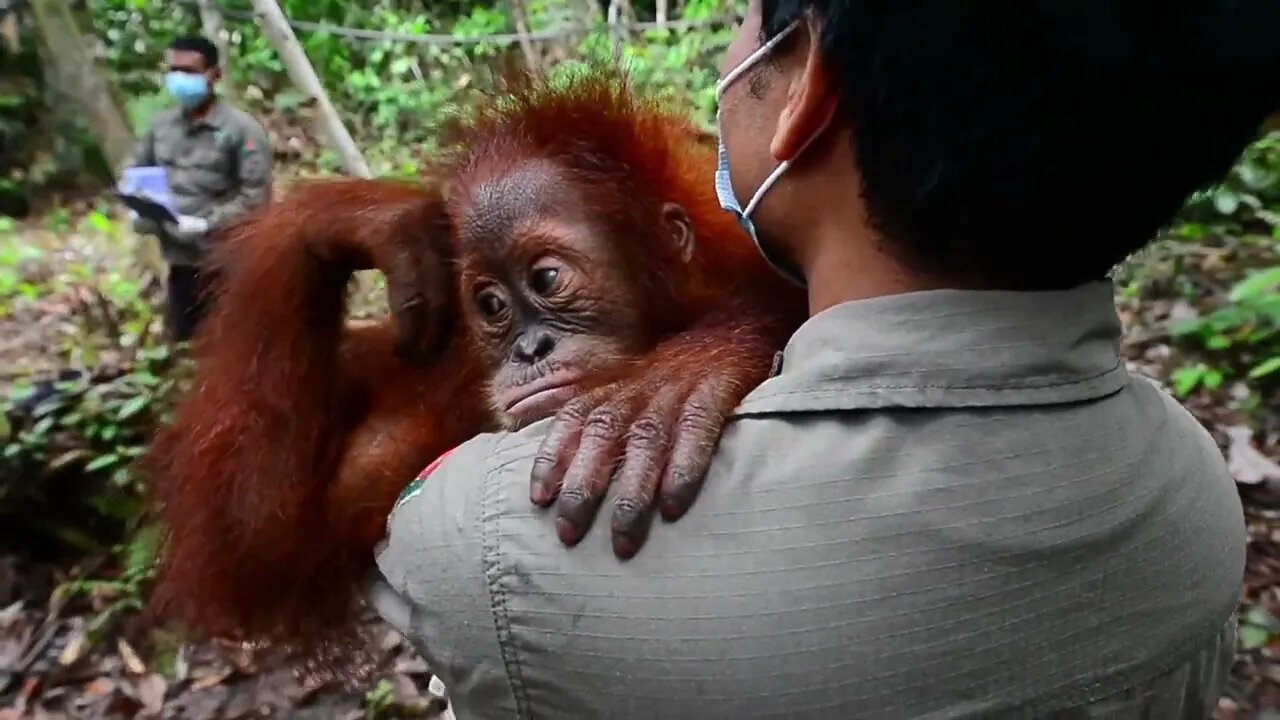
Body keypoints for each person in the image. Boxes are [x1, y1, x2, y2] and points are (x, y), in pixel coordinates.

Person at [367, 2, 1278, 717]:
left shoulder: (494, 540)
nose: (727, 56)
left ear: (805, 85)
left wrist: (307, 239)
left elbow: (262, 547)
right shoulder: (1197, 503)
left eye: (750, 15)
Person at [126, 35, 271, 342]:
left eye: (190, 71)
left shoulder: (241, 130)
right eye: (174, 70)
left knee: (230, 345)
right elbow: (140, 174)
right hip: (180, 262)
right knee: (184, 344)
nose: (180, 78)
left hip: (227, 262)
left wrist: (209, 223)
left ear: (214, 75)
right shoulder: (160, 127)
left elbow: (257, 198)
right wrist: (137, 206)